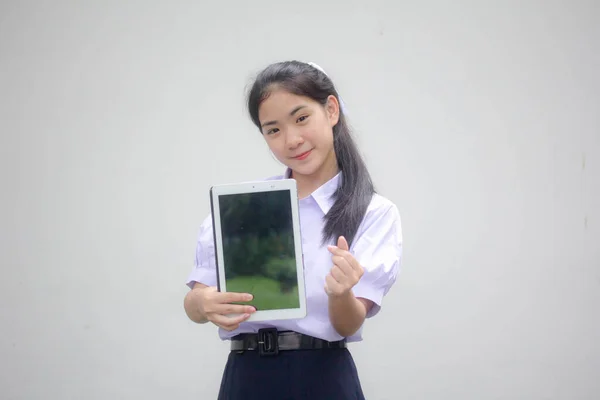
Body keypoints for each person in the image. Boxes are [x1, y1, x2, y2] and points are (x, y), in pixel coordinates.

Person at [183, 60, 403, 400]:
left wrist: (341, 292)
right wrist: (203, 303)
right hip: (246, 378)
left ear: (331, 110)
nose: (291, 140)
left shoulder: (373, 212)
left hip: (322, 378)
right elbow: (195, 302)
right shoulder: (241, 207)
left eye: (301, 118)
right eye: (273, 129)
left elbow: (348, 324)